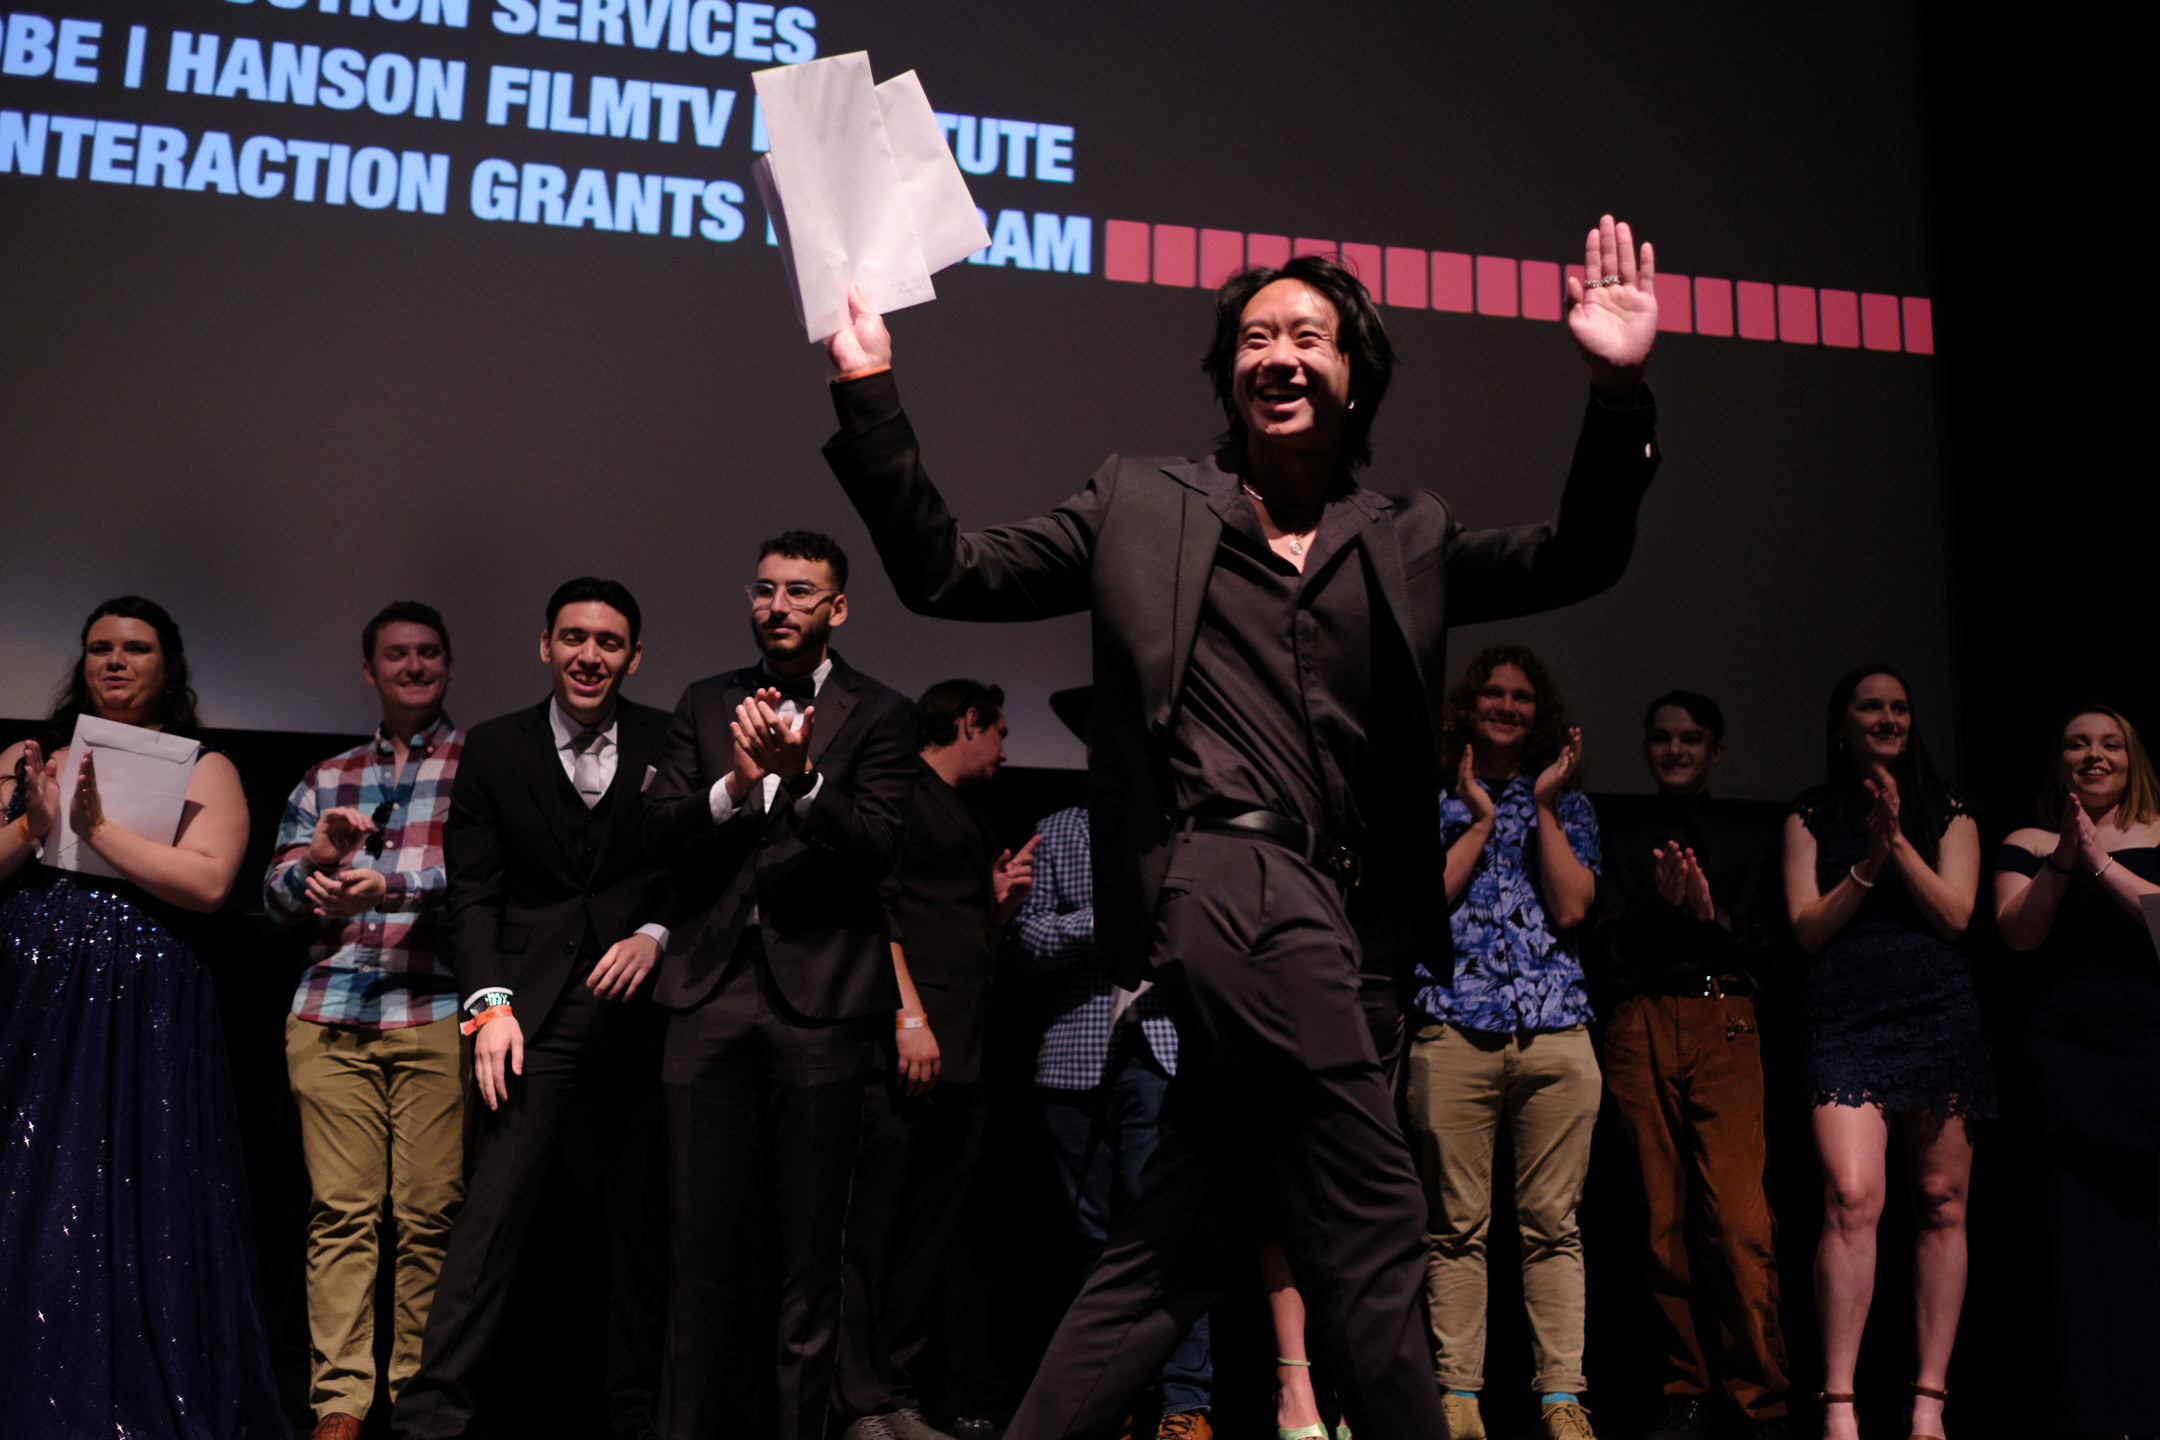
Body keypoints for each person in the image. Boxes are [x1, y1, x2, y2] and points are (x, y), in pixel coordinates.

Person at [817, 214, 1662, 1438]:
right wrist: (869, 392)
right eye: (1257, 338)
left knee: (1177, 1240)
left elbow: (1579, 555)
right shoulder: (1138, 500)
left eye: (1308, 337)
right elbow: (948, 568)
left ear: (1355, 374)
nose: (1280, 355)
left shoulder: (1407, 534)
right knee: (1376, 1207)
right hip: (1221, 875)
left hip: (1340, 911)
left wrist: (1617, 394)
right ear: (1230, 375)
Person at [643, 530, 919, 1440]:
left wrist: (803, 782)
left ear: (837, 607)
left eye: (800, 592)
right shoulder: (704, 700)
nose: (779, 607)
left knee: (812, 1254)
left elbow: (880, 852)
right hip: (707, 991)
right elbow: (658, 835)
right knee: (695, 1251)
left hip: (823, 1002)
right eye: (765, 590)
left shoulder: (882, 713)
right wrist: (733, 786)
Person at [0, 596, 285, 1439]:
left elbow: (209, 882)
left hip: (143, 998)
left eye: (135, 648)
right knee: (30, 1170)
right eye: (100, 648)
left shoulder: (204, 766)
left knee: (138, 1172)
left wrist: (96, 832)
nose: (115, 662)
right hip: (36, 993)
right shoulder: (30, 758)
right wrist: (33, 823)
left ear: (169, 664)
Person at [393, 578, 671, 1440]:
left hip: (646, 1012)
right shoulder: (494, 745)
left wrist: (656, 933)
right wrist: (490, 1009)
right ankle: (429, 1424)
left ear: (633, 657)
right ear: (545, 645)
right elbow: (474, 893)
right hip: (529, 1015)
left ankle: (640, 1419)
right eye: (574, 638)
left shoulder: (669, 738)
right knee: (492, 1220)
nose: (590, 655)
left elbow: (696, 865)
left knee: (644, 1227)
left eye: (609, 642)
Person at [264, 601, 467, 1440]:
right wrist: (314, 862)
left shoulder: (481, 764)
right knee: (341, 1214)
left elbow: (493, 880)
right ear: (368, 670)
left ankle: (416, 1401)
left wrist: (394, 885)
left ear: (447, 665)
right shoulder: (327, 777)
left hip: (434, 1006)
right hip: (330, 1010)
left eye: (428, 653)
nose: (413, 666)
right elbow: (275, 898)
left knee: (429, 1217)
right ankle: (341, 1405)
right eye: (396, 654)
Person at [1781, 665, 1989, 1440]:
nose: (1888, 718)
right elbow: (1806, 928)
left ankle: (1928, 1401)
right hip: (1845, 1016)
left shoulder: (1949, 807)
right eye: (1871, 707)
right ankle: (1839, 1403)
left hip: (1938, 1014)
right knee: (1851, 1196)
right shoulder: (1810, 812)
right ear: (1843, 724)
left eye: (1899, 707)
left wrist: (1898, 842)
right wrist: (1867, 861)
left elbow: (1957, 916)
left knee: (1941, 1200)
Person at [1405, 646, 1603, 1440]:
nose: (1508, 706)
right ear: (1469, 704)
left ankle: (1561, 1399)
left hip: (1555, 1030)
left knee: (1554, 1226)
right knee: (1455, 1226)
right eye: (1494, 692)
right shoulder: (1432, 801)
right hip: (1456, 1025)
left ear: (1539, 712)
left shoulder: (1570, 805)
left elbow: (1573, 907)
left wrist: (1542, 807)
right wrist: (1482, 818)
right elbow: (1424, 902)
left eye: (1522, 696)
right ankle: (1458, 1398)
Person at [839, 679, 1040, 1440]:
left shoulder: (957, 809)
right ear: (969, 722)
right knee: (875, 1231)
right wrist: (908, 1015)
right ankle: (860, 1401)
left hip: (963, 1052)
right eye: (999, 732)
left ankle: (895, 1394)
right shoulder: (903, 792)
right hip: (912, 1048)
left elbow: (944, 921)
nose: (1004, 750)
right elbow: (879, 909)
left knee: (925, 1236)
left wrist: (997, 907)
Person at [1587, 691, 1790, 1440]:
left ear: (1716, 750)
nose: (1676, 751)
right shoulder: (1620, 831)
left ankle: (1760, 1394)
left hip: (1724, 1016)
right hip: (1640, 1020)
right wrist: (1660, 908)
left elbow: (1772, 948)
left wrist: (1708, 915)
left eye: (1692, 739)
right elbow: (1605, 951)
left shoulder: (1748, 832)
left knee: (1737, 1220)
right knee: (1660, 1219)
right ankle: (1688, 1387)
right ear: (1647, 745)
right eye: (1663, 738)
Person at [1014, 685, 1215, 1440]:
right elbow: (1030, 939)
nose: (1108, 744)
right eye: (1097, 732)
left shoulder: (1184, 830)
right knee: (1094, 1239)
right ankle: (1111, 1399)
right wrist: (1111, 924)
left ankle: (1185, 1403)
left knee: (1166, 1234)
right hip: (1073, 1058)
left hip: (1161, 1050)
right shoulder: (1059, 830)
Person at [1991, 705, 2160, 1438]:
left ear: (2132, 757)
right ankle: (2093, 1413)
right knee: (2080, 1245)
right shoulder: (2029, 842)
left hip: (2149, 1058)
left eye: (2110, 744)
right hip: (2067, 1062)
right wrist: (2065, 857)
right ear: (2057, 762)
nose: (2095, 755)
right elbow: (2018, 935)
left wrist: (2100, 862)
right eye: (2077, 744)